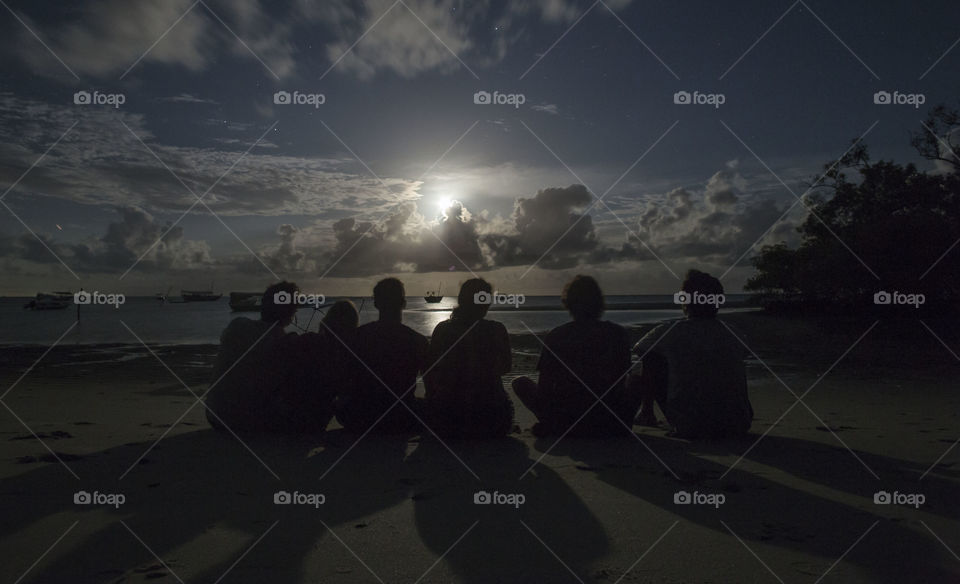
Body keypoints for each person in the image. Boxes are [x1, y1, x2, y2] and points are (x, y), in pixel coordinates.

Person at [629, 269, 753, 438]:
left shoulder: (671, 332)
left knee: (649, 361)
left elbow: (640, 350)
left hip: (691, 423)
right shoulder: (734, 333)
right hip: (739, 423)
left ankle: (646, 413)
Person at [513, 275, 638, 437]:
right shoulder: (617, 334)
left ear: (569, 304)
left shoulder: (557, 336)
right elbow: (622, 378)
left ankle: (555, 424)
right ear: (599, 303)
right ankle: (620, 423)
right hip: (610, 418)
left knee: (520, 382)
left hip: (565, 418)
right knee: (637, 380)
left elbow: (545, 387)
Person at [206, 281, 335, 434]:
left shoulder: (236, 325)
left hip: (215, 416)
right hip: (245, 422)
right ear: (291, 312)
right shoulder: (285, 342)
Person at [335, 278, 428, 434]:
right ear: (403, 303)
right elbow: (430, 386)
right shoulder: (418, 341)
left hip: (360, 417)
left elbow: (343, 381)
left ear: (376, 303)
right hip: (402, 418)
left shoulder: (357, 337)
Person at [424, 279, 514, 439]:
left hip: (448, 420)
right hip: (494, 420)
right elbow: (506, 367)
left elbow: (429, 370)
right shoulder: (497, 330)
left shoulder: (443, 329)